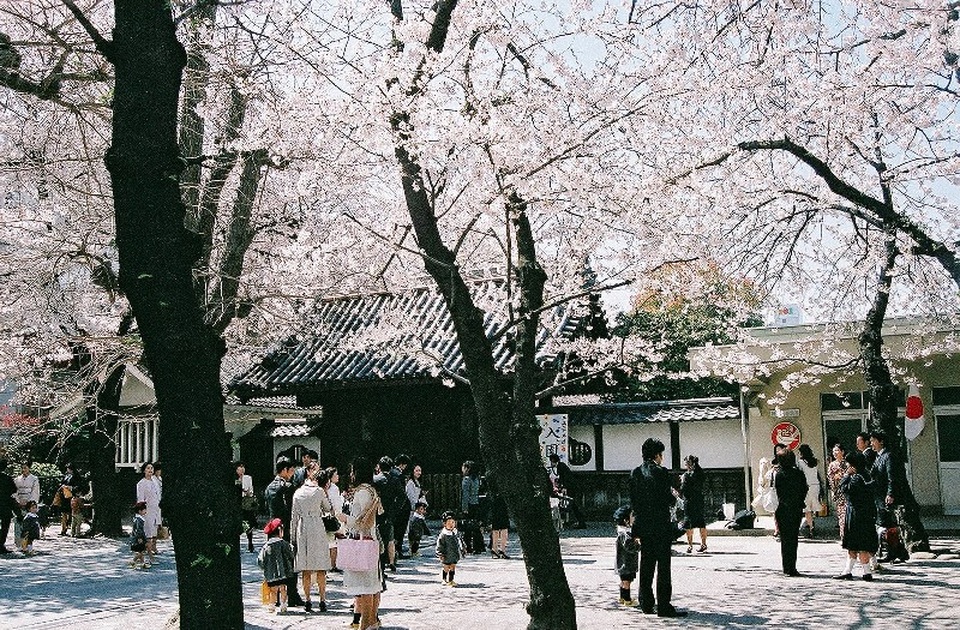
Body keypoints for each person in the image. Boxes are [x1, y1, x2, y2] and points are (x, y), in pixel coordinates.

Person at [629, 438, 686, 617]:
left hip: (644, 525)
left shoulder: (635, 473)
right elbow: (667, 499)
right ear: (657, 455)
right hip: (660, 525)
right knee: (663, 566)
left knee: (646, 564)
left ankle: (646, 603)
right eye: (661, 455)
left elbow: (634, 502)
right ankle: (664, 605)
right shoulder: (661, 472)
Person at [338, 456, 384, 630]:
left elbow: (361, 521)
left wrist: (343, 518)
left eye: (352, 470)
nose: (350, 474)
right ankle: (372, 621)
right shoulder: (371, 490)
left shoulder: (362, 492)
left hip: (362, 541)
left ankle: (365, 623)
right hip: (371, 541)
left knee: (365, 587)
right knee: (372, 584)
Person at [869, 430, 930, 556]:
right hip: (879, 496)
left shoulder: (888, 456)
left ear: (881, 441)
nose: (871, 444)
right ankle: (895, 551)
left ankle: (895, 551)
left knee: (889, 524)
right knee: (886, 524)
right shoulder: (878, 457)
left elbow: (892, 477)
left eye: (873, 441)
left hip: (887, 496)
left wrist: (890, 494)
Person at [290, 463, 333, 613]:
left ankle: (308, 600)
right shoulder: (320, 491)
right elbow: (328, 508)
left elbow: (294, 517)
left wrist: (293, 537)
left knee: (306, 568)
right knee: (321, 567)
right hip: (317, 525)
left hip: (302, 527)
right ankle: (322, 600)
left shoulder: (297, 493)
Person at [264, 457, 304, 607]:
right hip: (284, 528)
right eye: (292, 470)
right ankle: (292, 595)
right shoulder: (286, 487)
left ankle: (276, 597)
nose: (293, 473)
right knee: (289, 561)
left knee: (274, 562)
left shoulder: (269, 487)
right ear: (285, 470)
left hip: (272, 527)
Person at [834, 451, 878, 581]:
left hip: (855, 513)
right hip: (867, 512)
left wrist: (846, 476)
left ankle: (865, 572)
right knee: (863, 542)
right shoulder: (868, 475)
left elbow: (845, 489)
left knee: (855, 544)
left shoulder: (857, 478)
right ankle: (853, 571)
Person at [773, 448, 807, 577]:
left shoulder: (779, 474)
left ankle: (786, 567)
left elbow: (779, 492)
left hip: (783, 508)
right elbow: (804, 489)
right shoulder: (798, 474)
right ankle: (792, 566)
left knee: (785, 539)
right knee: (793, 538)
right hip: (796, 508)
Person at [259, 518, 295, 615]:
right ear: (280, 531)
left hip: (271, 573)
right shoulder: (284, 544)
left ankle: (272, 605)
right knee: (283, 588)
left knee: (273, 590)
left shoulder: (266, 546)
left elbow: (261, 560)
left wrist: (264, 569)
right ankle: (283, 605)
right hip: (284, 572)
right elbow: (291, 555)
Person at [373, 455, 400, 570]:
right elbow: (402, 496)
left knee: (376, 538)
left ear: (379, 466)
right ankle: (388, 562)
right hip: (389, 512)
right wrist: (395, 508)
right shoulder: (395, 480)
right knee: (388, 538)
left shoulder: (375, 480)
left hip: (376, 512)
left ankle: (379, 565)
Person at [549, 453, 586, 528]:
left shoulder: (561, 467)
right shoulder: (561, 466)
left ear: (553, 461)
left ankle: (580, 522)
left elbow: (566, 478)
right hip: (572, 488)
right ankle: (578, 522)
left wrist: (564, 487)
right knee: (573, 506)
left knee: (574, 506)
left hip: (572, 489)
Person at [679, 455, 707, 553]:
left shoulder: (686, 475)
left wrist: (682, 481)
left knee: (688, 522)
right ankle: (703, 544)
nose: (685, 464)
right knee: (701, 522)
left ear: (689, 463)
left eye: (686, 463)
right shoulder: (700, 473)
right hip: (699, 500)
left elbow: (683, 489)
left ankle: (690, 545)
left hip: (689, 501)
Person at [614, 505, 640, 607]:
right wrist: (638, 545)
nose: (634, 518)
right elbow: (630, 546)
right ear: (626, 520)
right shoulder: (625, 533)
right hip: (626, 563)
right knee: (626, 582)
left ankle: (622, 598)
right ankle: (627, 600)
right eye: (632, 516)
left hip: (623, 562)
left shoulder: (622, 531)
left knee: (623, 581)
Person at [135, 462, 161, 563]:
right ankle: (150, 557)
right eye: (148, 468)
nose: (150, 470)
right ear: (144, 470)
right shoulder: (141, 483)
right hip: (147, 511)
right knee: (148, 535)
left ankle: (139, 558)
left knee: (153, 534)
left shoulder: (155, 481)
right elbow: (140, 499)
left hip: (155, 510)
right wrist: (142, 511)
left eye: (151, 468)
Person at [459, 460, 485, 553]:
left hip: (469, 504)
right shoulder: (476, 479)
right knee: (475, 525)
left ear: (467, 468)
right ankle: (479, 546)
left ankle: (468, 546)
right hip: (476, 503)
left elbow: (465, 495)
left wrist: (464, 507)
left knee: (467, 526)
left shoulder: (466, 479)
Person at [826, 443, 849, 544]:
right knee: (841, 515)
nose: (834, 453)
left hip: (848, 491)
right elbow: (830, 479)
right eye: (834, 451)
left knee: (848, 514)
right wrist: (833, 491)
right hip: (838, 492)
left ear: (842, 452)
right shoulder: (832, 465)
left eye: (837, 450)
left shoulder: (847, 464)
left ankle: (849, 536)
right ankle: (843, 537)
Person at [436, 510, 466, 587]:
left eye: (453, 523)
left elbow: (460, 541)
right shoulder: (443, 535)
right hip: (446, 554)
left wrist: (463, 548)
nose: (451, 525)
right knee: (446, 567)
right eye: (449, 523)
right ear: (444, 524)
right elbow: (440, 544)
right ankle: (444, 579)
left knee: (452, 567)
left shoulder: (456, 532)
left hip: (454, 554)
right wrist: (440, 553)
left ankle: (451, 580)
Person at [797, 444, 821, 537]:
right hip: (816, 485)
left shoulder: (800, 462)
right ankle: (811, 522)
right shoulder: (815, 461)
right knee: (814, 506)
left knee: (807, 509)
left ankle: (811, 527)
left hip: (807, 486)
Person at [59, 463, 88, 537]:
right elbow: (62, 482)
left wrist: (71, 487)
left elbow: (79, 486)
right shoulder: (66, 475)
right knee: (64, 513)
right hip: (65, 495)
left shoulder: (76, 477)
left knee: (72, 513)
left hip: (72, 496)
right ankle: (63, 529)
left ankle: (73, 530)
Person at [390, 454, 412, 556]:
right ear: (403, 464)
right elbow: (402, 493)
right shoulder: (399, 475)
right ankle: (398, 549)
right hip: (401, 507)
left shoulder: (390, 472)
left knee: (394, 529)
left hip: (392, 504)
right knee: (400, 529)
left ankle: (394, 550)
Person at [13, 461, 39, 543]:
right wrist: (18, 501)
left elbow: (35, 492)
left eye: (25, 468)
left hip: (29, 502)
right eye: (22, 468)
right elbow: (14, 492)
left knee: (28, 525)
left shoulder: (34, 479)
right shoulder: (17, 479)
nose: (23, 470)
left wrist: (30, 503)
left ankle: (27, 544)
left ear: (29, 468)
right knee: (18, 523)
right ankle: (19, 543)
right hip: (19, 502)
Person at [404, 462, 427, 552]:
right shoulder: (410, 483)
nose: (419, 472)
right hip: (412, 510)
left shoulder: (417, 482)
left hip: (418, 510)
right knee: (412, 531)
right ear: (412, 472)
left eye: (420, 470)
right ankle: (412, 549)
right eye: (417, 470)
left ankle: (414, 549)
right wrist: (417, 507)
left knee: (417, 530)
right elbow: (411, 498)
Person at [236, 461, 258, 552]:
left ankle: (250, 543)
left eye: (243, 467)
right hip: (237, 503)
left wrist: (244, 491)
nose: (242, 469)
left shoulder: (248, 478)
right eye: (239, 467)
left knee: (249, 524)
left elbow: (249, 491)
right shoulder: (234, 479)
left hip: (246, 503)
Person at [486, 475, 510, 559]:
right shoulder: (504, 480)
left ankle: (494, 549)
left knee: (495, 529)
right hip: (502, 504)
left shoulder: (490, 479)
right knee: (504, 529)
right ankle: (502, 549)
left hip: (493, 503)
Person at [325, 466, 344, 570]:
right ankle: (333, 564)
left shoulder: (325, 487)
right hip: (333, 516)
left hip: (325, 516)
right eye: (336, 474)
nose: (338, 476)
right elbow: (337, 504)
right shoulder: (334, 488)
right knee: (333, 542)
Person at [0, 460, 18, 553]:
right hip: (5, 504)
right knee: (5, 526)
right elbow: (14, 490)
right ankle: (1, 544)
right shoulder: (8, 478)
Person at [130, 501, 149, 569]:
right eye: (144, 510)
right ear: (140, 511)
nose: (145, 511)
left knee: (141, 550)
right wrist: (139, 538)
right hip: (138, 537)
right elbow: (138, 530)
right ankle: (133, 560)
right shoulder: (139, 519)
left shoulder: (137, 518)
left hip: (137, 537)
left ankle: (142, 563)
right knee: (140, 551)